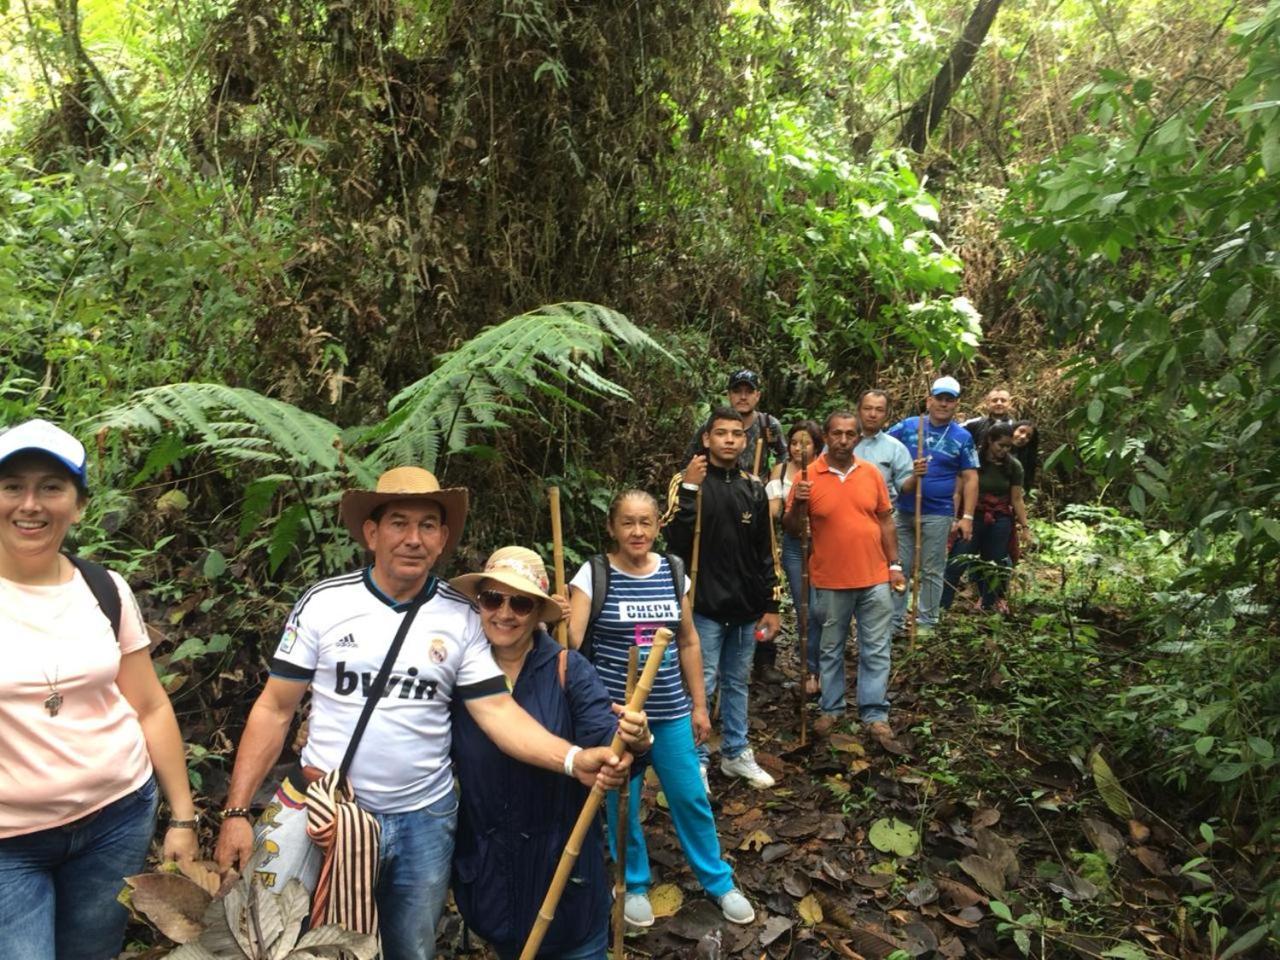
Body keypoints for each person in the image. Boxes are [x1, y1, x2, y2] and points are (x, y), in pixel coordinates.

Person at [214, 467, 629, 960]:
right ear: (371, 532)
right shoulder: (325, 604)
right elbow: (275, 708)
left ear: (443, 539)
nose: (413, 539)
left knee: (412, 946)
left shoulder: (460, 615)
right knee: (312, 944)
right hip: (331, 812)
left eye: (427, 526)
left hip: (424, 822)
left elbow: (496, 710)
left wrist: (572, 759)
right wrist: (237, 811)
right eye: (398, 523)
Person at [0, 419, 199, 960]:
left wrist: (182, 817)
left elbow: (151, 705)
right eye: (12, 486)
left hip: (115, 820)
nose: (30, 504)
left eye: (51, 487)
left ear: (79, 504)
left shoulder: (104, 588)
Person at [449, 546, 651, 960]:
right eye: (493, 599)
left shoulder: (568, 669)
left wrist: (636, 740)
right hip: (490, 880)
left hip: (566, 877)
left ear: (538, 612)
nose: (504, 613)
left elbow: (609, 748)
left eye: (520, 603)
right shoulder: (455, 674)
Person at [568, 490, 755, 929]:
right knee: (622, 802)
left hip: (669, 710)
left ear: (657, 526)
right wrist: (554, 616)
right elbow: (571, 645)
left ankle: (718, 881)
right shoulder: (593, 575)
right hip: (613, 716)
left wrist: (700, 705)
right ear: (612, 527)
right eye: (628, 523)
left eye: (646, 523)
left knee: (690, 796)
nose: (638, 532)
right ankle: (633, 884)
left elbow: (689, 640)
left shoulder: (672, 572)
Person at [666, 408, 781, 791]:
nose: (729, 440)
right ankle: (695, 759)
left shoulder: (752, 486)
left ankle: (735, 752)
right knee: (702, 683)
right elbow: (674, 544)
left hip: (745, 607)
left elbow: (766, 550)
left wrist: (772, 604)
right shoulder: (686, 481)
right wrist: (691, 490)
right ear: (707, 439)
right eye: (721, 433)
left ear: (745, 441)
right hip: (704, 606)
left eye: (736, 434)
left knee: (737, 681)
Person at [783, 413, 905, 741]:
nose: (843, 440)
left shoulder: (871, 474)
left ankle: (875, 713)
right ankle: (831, 709)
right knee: (830, 647)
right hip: (829, 578)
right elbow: (793, 529)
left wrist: (895, 564)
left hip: (875, 575)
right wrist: (799, 506)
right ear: (826, 436)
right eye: (837, 433)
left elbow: (885, 521)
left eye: (850, 434)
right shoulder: (807, 477)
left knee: (876, 647)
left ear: (858, 439)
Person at [886, 376, 979, 635]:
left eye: (950, 400)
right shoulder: (909, 426)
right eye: (939, 398)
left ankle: (926, 622)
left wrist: (967, 516)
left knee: (931, 569)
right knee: (898, 565)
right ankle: (893, 621)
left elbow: (971, 477)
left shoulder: (962, 437)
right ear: (929, 400)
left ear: (956, 405)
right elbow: (882, 446)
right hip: (903, 509)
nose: (943, 404)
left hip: (938, 512)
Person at [943, 424, 1030, 614]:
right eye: (1001, 445)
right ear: (990, 441)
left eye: (1008, 447)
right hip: (971, 517)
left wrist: (1025, 527)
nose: (1004, 450)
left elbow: (1016, 498)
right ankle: (941, 608)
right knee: (957, 562)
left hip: (999, 519)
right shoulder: (972, 460)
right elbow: (957, 491)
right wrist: (953, 518)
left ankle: (987, 607)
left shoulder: (1013, 466)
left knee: (995, 564)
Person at [766, 420, 824, 697]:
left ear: (817, 446)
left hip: (824, 545)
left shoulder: (824, 471)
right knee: (804, 611)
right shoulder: (779, 472)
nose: (799, 448)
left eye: (806, 443)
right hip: (793, 545)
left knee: (820, 610)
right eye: (794, 442)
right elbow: (774, 513)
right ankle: (809, 671)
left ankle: (820, 668)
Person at [683, 370, 786, 476]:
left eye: (749, 392)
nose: (743, 397)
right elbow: (689, 458)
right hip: (719, 487)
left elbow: (784, 456)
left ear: (757, 396)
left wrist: (773, 482)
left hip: (756, 489)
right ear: (729, 395)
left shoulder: (768, 424)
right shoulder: (712, 424)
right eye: (737, 391)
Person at [852, 389, 917, 501]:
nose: (872, 414)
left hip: (881, 515)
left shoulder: (896, 448)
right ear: (858, 411)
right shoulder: (841, 442)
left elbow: (905, 487)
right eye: (867, 408)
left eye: (879, 410)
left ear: (887, 415)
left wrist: (916, 475)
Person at [1010, 419, 1039, 493]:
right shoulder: (993, 450)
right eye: (1021, 431)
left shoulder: (1026, 459)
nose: (1023, 437)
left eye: (1028, 436)